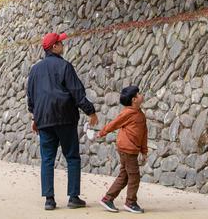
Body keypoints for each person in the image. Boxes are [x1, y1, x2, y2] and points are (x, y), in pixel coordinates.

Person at [27, 32, 97, 211]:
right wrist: (91, 112)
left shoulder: (35, 70)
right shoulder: (65, 66)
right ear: (54, 47)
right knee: (72, 157)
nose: (63, 46)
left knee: (47, 159)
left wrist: (35, 117)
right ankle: (73, 197)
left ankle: (49, 200)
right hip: (65, 118)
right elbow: (77, 92)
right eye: (60, 43)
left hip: (44, 119)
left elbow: (31, 97)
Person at [97, 85, 148, 214]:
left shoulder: (140, 113)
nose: (141, 95)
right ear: (133, 100)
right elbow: (114, 123)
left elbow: (144, 133)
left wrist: (144, 151)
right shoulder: (127, 113)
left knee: (124, 175)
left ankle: (108, 198)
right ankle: (130, 202)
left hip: (132, 149)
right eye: (138, 94)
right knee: (134, 176)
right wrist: (102, 133)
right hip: (127, 149)